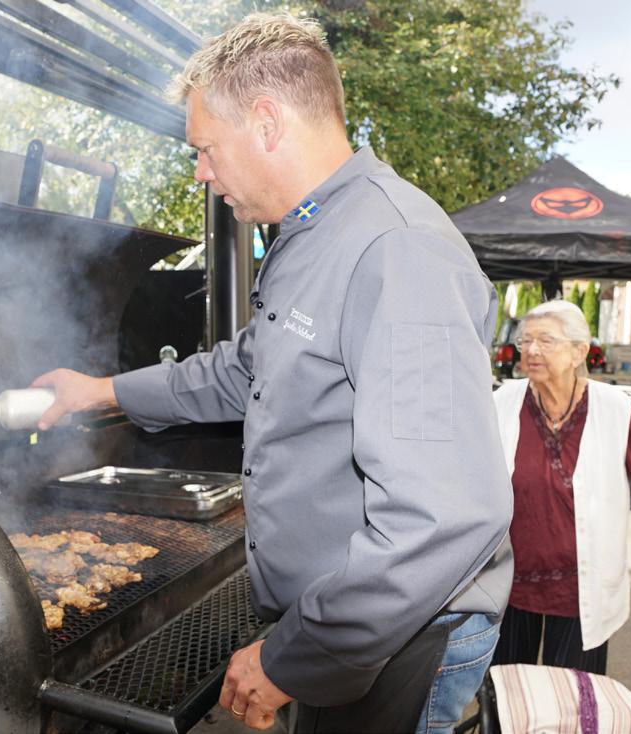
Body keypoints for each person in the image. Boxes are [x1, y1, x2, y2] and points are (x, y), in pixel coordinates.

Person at [32, 13, 513, 733]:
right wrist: (99, 391)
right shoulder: (309, 236)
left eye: (204, 149)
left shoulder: (396, 249)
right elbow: (244, 370)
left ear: (265, 122)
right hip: (354, 627)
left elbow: (441, 519)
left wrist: (297, 654)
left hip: (402, 635)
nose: (200, 171)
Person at [491, 299, 631, 674]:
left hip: (581, 589)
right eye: (526, 342)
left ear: (579, 352)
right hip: (510, 585)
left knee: (574, 703)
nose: (532, 350)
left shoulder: (615, 409)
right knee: (508, 699)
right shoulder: (502, 404)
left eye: (546, 340)